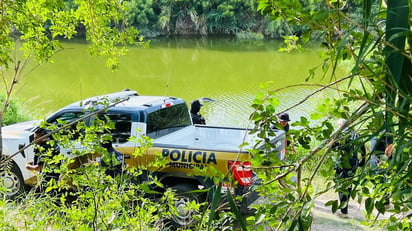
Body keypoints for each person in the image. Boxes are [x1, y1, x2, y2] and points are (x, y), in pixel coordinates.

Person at [332, 119, 365, 218]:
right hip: (354, 162)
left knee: (341, 184)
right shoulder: (356, 134)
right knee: (348, 185)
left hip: (342, 162)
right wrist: (362, 162)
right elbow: (362, 149)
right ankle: (344, 208)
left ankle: (344, 211)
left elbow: (333, 147)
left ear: (341, 125)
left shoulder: (339, 134)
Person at [26, 127, 61, 192]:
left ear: (43, 138)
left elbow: (40, 167)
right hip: (56, 175)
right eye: (34, 138)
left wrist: (29, 167)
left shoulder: (43, 148)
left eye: (36, 138)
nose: (34, 140)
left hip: (47, 178)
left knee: (40, 195)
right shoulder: (53, 143)